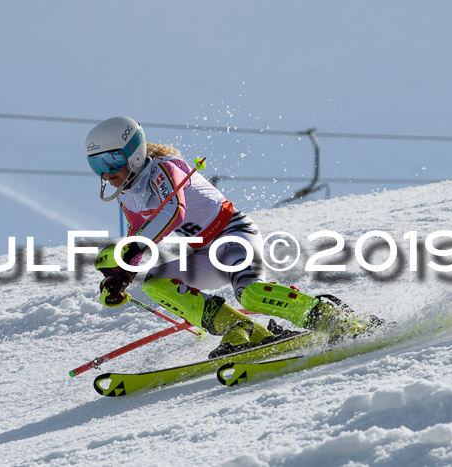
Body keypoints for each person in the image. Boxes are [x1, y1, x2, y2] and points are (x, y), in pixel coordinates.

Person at [86, 116, 380, 358]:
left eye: (112, 161)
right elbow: (137, 240)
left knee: (251, 294)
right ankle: (242, 328)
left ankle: (326, 315)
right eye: (97, 165)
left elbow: (174, 210)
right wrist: (120, 276)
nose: (107, 172)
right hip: (205, 255)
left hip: (235, 236)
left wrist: (129, 250)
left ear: (135, 152)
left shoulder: (165, 169)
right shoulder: (128, 198)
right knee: (154, 283)